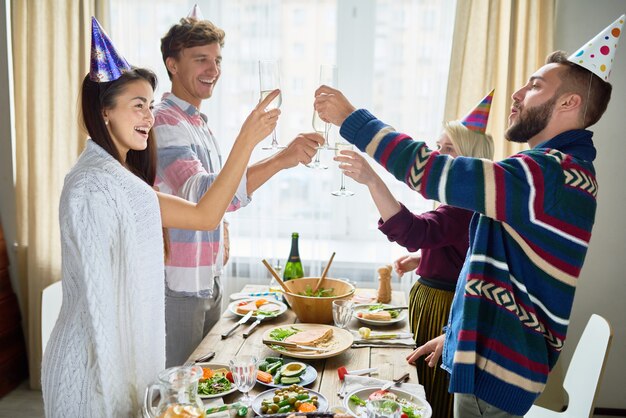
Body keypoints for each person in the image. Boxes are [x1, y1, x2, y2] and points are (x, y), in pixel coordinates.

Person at [315, 14, 622, 417]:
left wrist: (352, 119)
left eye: (535, 85)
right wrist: (456, 334)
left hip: (497, 367)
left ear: (569, 102)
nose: (519, 93)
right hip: (496, 352)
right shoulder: (556, 169)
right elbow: (499, 272)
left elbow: (432, 172)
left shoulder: (549, 173)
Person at [41, 17, 279, 417]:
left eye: (150, 106)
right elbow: (102, 296)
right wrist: (247, 140)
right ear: (104, 113)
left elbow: (206, 216)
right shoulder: (91, 185)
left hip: (115, 356)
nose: (150, 118)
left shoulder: (122, 181)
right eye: (138, 106)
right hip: (91, 365)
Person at [154, 8, 324, 367]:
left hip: (207, 277)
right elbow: (201, 195)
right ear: (172, 64)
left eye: (217, 60)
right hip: (178, 285)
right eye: (201, 59)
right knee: (181, 390)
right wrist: (252, 143)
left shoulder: (198, 123)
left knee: (207, 385)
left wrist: (284, 158)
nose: (213, 70)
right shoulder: (164, 121)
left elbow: (219, 198)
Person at [335, 91, 494, 417]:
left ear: (470, 158)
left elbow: (415, 232)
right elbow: (463, 251)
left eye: (449, 149)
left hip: (443, 308)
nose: (438, 154)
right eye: (438, 146)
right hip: (434, 299)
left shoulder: (463, 204)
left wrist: (372, 181)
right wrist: (424, 260)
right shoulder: (465, 203)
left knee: (430, 389)